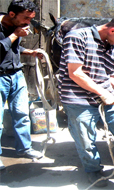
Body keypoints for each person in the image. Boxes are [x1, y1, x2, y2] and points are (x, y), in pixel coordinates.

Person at [58, 16, 114, 187]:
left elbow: (112, 75)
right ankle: (93, 170)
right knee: (85, 139)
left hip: (106, 97)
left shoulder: (112, 44)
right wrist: (101, 92)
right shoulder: (77, 37)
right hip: (78, 99)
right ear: (112, 30)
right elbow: (75, 73)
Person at [0, 0, 44, 170]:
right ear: (12, 15)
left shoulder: (16, 27)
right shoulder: (11, 29)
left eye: (30, 19)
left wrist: (29, 52)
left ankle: (24, 148)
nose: (28, 23)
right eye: (26, 18)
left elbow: (11, 49)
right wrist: (15, 35)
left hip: (16, 75)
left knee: (21, 114)